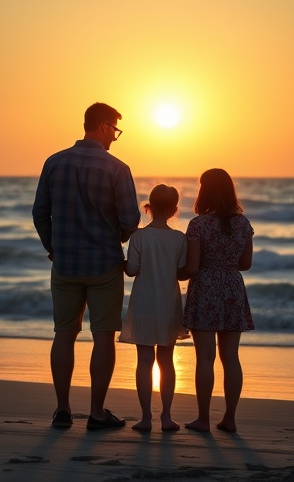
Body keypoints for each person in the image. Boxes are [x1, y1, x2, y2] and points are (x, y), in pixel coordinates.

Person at [32, 102, 140, 430]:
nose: (116, 139)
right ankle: (96, 412)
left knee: (64, 333)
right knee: (103, 338)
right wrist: (117, 238)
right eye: (116, 131)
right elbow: (130, 220)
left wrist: (54, 246)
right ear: (105, 126)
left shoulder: (54, 162)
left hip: (65, 263)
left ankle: (62, 410)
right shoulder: (117, 169)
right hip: (104, 264)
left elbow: (40, 213)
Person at [177, 168, 254, 433]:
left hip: (206, 288)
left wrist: (173, 274)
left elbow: (192, 267)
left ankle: (203, 419)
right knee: (231, 357)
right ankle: (230, 419)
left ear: (205, 190)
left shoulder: (198, 224)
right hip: (232, 287)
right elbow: (245, 264)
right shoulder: (243, 223)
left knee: (205, 357)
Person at [119, 184, 188, 432]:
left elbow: (132, 270)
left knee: (144, 360)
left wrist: (120, 260)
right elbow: (181, 273)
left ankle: (146, 417)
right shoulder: (179, 239)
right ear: (174, 210)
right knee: (166, 361)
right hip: (169, 303)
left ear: (148, 207)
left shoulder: (138, 237)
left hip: (144, 302)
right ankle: (167, 416)